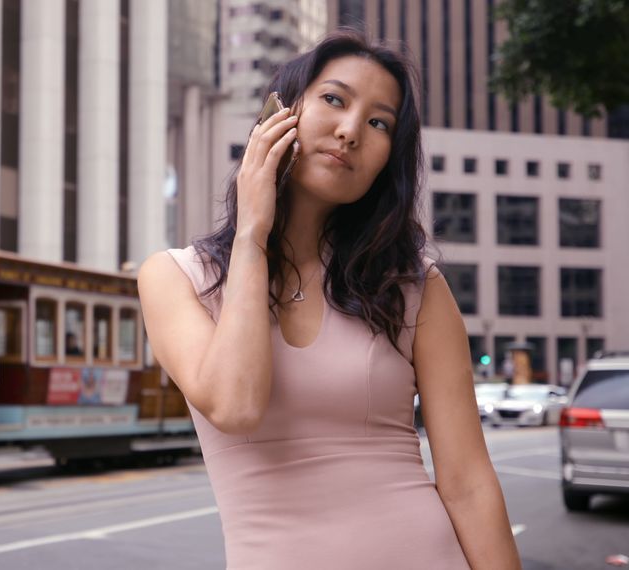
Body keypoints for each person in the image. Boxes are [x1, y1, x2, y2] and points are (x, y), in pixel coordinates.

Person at [138, 30, 521, 569]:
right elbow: (236, 405)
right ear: (280, 113)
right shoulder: (175, 278)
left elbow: (467, 483)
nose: (349, 132)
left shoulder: (415, 288)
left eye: (378, 122)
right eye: (334, 99)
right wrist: (252, 235)